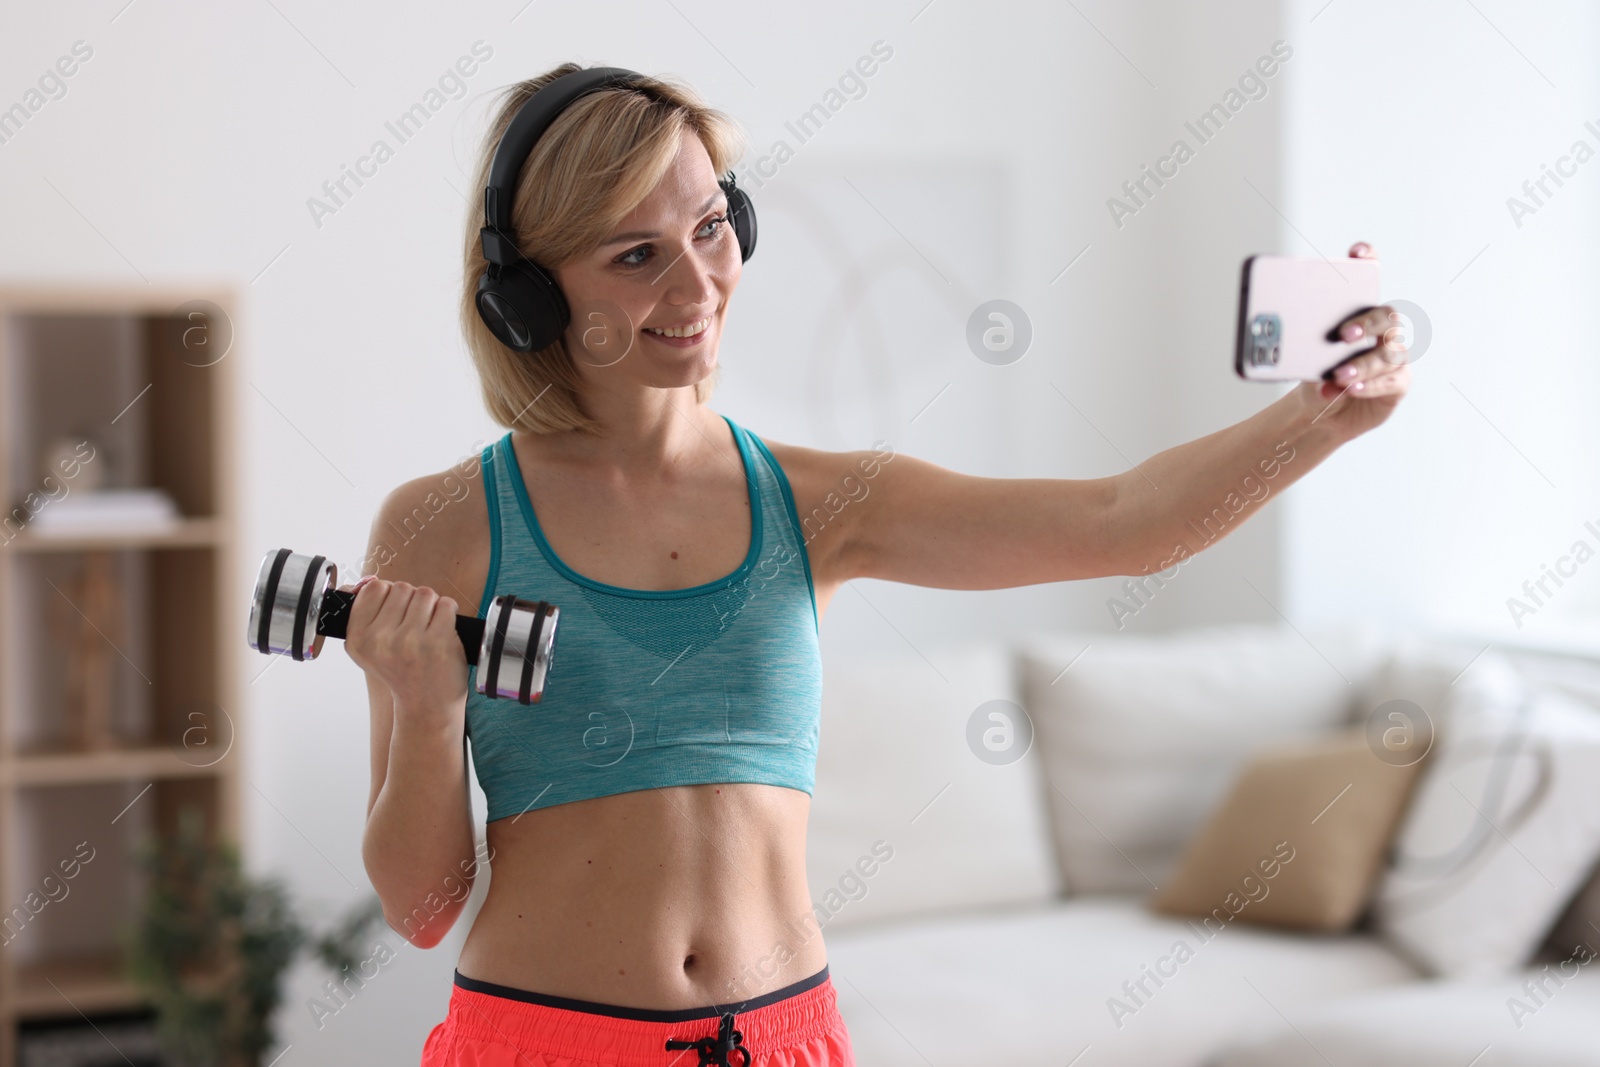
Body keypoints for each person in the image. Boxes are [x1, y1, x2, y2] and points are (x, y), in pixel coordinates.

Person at [345, 63, 1412, 1067]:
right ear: (530, 298)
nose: (698, 280)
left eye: (713, 226)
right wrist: (429, 709)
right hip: (542, 1039)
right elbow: (422, 902)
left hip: (783, 1036)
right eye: (635, 255)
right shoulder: (445, 525)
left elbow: (1121, 520)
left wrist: (1315, 422)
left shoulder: (820, 504)